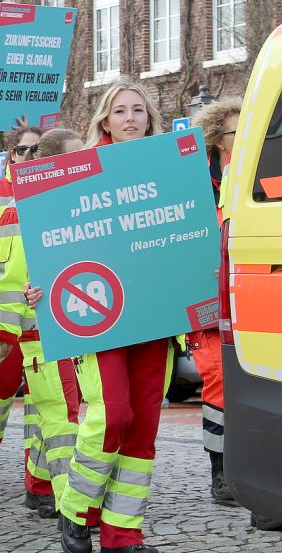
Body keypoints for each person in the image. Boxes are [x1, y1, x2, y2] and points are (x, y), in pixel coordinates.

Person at [31, 80, 178, 553]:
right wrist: (44, 285)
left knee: (143, 429)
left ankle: (122, 535)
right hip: (98, 318)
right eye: (121, 111)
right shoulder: (78, 174)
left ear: (151, 119)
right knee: (111, 415)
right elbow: (55, 242)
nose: (131, 118)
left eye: (139, 110)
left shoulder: (172, 171)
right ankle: (76, 511)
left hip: (155, 317)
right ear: (105, 121)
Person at [0, 128, 84, 523]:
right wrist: (7, 334)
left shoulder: (81, 201)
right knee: (62, 416)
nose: (85, 160)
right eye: (76, 155)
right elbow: (8, 280)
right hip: (38, 330)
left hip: (74, 324)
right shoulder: (18, 208)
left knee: (53, 416)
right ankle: (69, 504)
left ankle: (39, 484)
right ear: (49, 160)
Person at [0, 126, 43, 484]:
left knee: (41, 403)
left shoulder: (56, 191)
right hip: (1, 313)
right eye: (22, 149)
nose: (28, 155)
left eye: (36, 149)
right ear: (11, 155)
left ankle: (37, 481)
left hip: (45, 317)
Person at [190, 97, 242, 503]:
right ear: (217, 140)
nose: (244, 140)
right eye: (236, 134)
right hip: (208, 302)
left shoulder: (250, 179)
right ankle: (220, 471)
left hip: (249, 296)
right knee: (219, 382)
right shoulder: (194, 184)